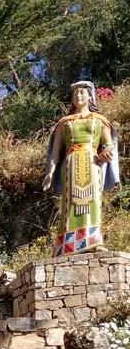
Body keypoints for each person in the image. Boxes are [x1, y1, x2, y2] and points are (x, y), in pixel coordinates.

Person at [44, 80, 120, 257]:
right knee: (70, 202)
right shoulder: (65, 123)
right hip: (70, 164)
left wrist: (107, 153)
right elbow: (55, 152)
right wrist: (50, 172)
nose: (78, 96)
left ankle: (95, 241)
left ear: (90, 96)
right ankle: (67, 245)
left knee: (92, 200)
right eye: (75, 93)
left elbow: (108, 144)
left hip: (92, 162)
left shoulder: (98, 120)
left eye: (82, 93)